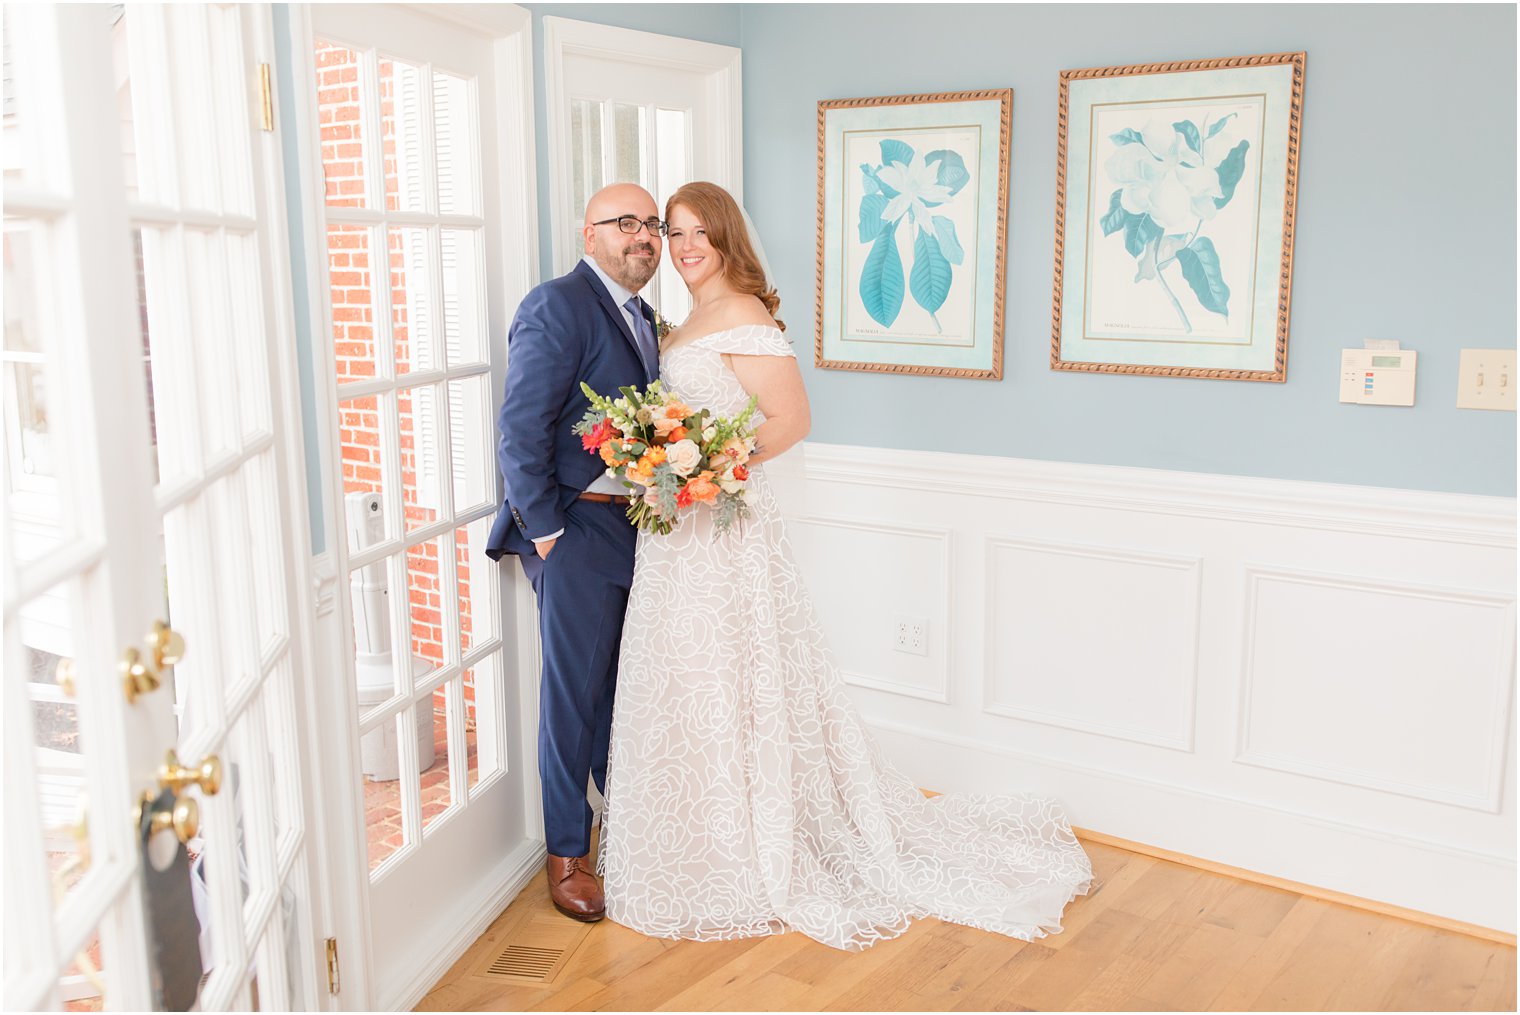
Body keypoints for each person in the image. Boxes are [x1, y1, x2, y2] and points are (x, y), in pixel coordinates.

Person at [598, 182, 1093, 950]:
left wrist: (706, 467)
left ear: (728, 239)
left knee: (733, 668)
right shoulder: (685, 320)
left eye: (700, 232)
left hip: (721, 526)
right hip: (675, 532)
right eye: (675, 231)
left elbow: (791, 419)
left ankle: (750, 840)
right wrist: (668, 463)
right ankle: (696, 834)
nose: (686, 245)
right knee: (687, 672)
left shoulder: (744, 315)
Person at [486, 183, 666, 922]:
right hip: (575, 532)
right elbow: (520, 425)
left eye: (652, 225)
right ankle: (566, 853)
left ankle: (627, 828)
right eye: (627, 223)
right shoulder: (557, 304)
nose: (645, 237)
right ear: (588, 233)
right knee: (571, 697)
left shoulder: (645, 317)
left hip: (635, 529)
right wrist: (549, 532)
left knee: (622, 688)